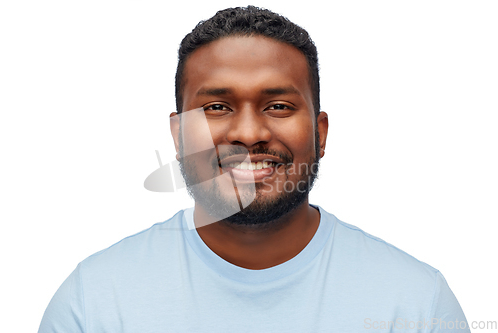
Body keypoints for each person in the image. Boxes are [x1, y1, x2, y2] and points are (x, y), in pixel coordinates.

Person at [39, 6, 469, 332]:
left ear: (320, 133)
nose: (248, 132)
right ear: (178, 136)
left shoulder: (416, 306)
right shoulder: (93, 303)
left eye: (278, 106)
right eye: (217, 107)